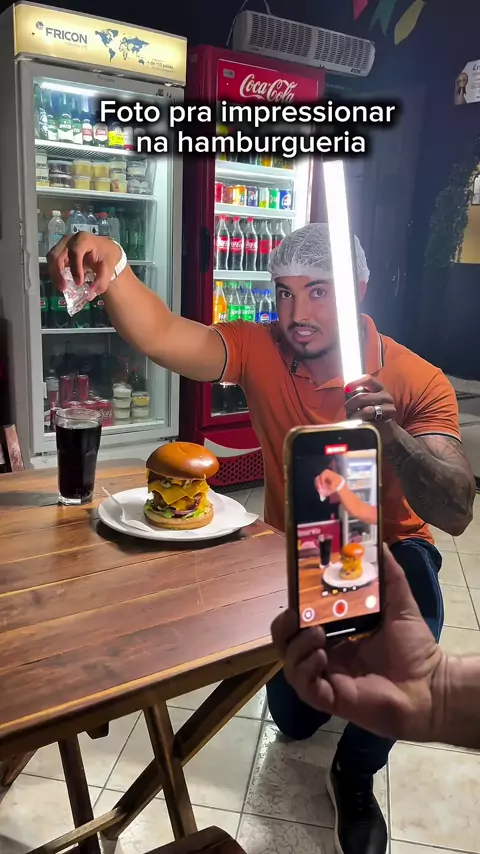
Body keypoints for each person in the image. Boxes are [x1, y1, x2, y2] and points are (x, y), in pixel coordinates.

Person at [48, 223, 475, 854]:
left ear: (357, 289)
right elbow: (163, 335)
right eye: (285, 292)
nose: (297, 314)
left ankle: (355, 775)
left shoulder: (416, 378)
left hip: (391, 551)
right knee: (297, 718)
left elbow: (457, 507)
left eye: (318, 291)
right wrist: (113, 268)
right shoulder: (261, 347)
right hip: (297, 550)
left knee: (411, 612)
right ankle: (331, 677)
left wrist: (395, 439)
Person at [271, 546, 480, 751]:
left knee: (382, 719)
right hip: (307, 548)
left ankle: (352, 768)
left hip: (403, 543)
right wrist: (436, 693)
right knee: (294, 722)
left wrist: (435, 691)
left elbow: (457, 525)